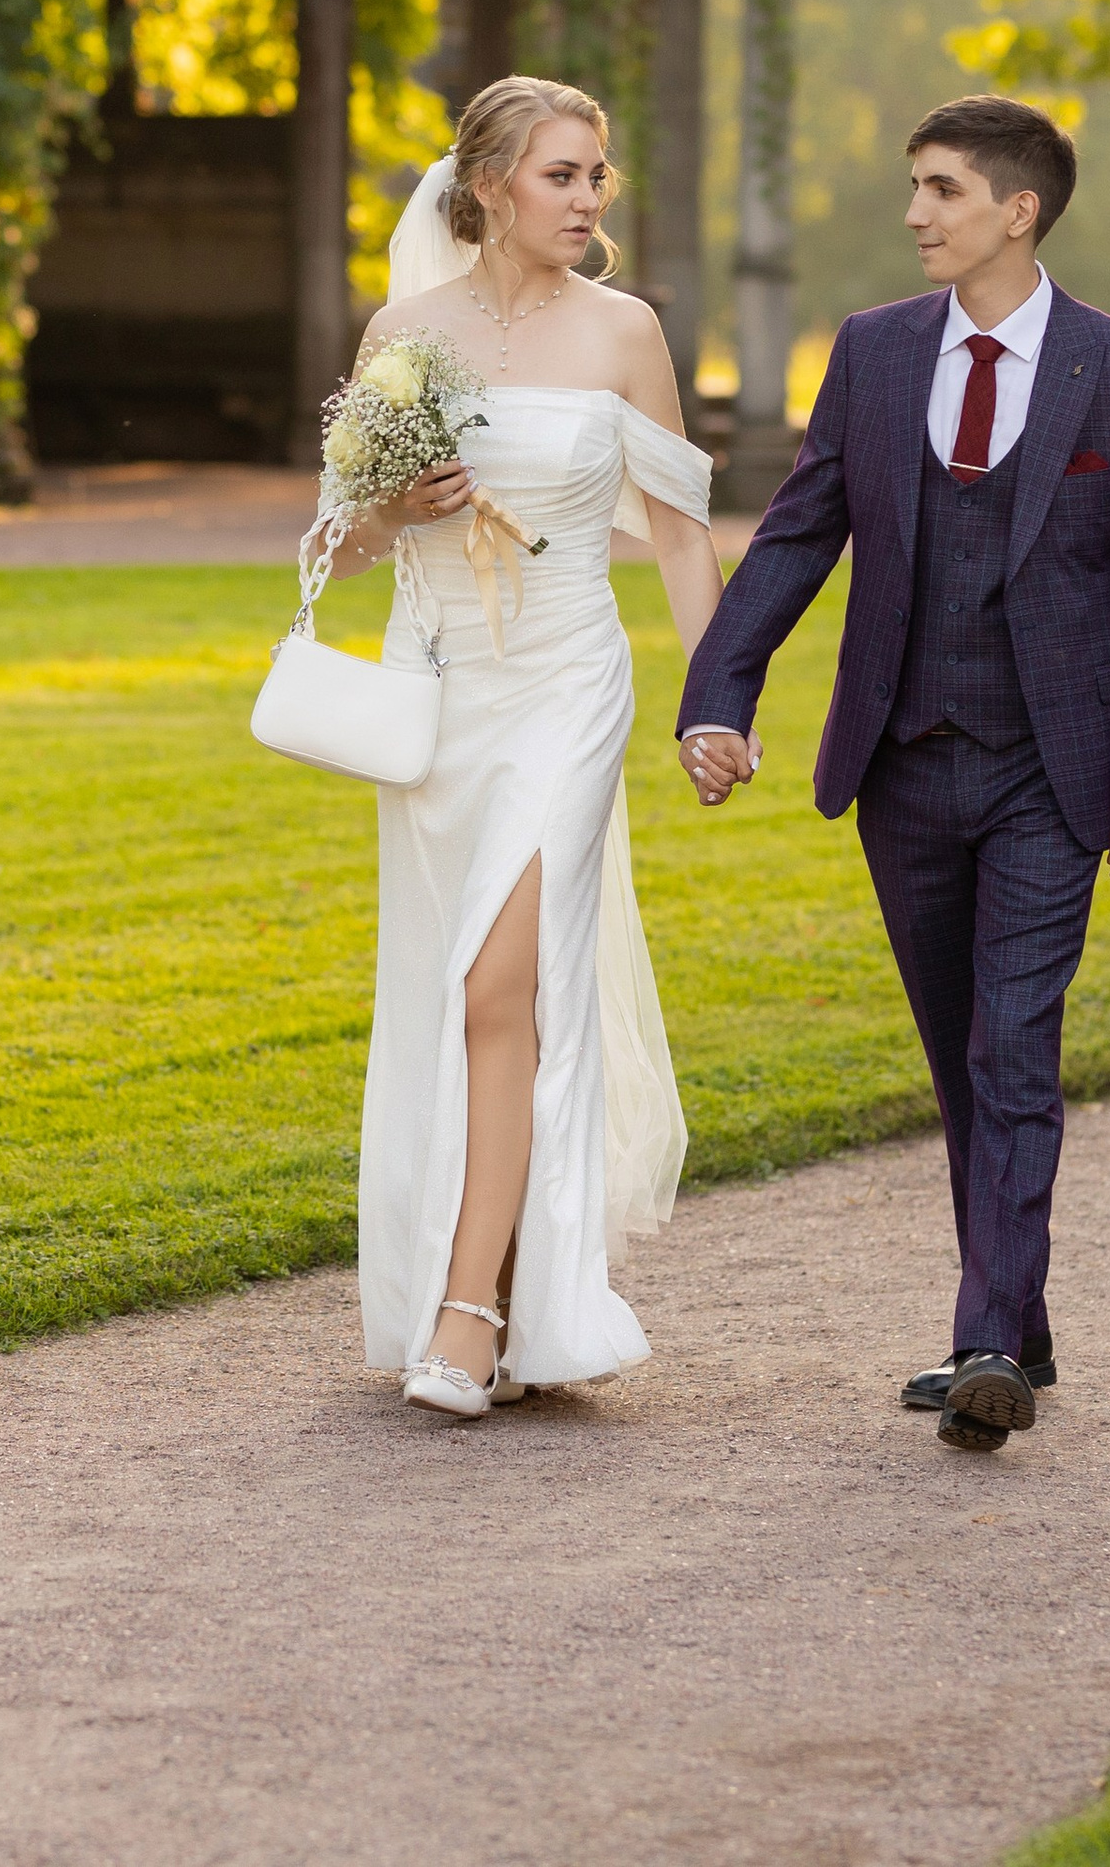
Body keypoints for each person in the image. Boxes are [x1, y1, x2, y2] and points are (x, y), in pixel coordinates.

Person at [677, 95, 1110, 1453]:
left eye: (942, 189)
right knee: (959, 1057)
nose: (916, 213)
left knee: (1013, 1046)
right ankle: (1013, 1321)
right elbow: (799, 538)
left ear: (1016, 211)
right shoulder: (869, 354)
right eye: (917, 188)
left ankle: (984, 1343)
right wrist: (718, 696)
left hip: (1053, 770)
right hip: (903, 763)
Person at [321, 76, 723, 1418]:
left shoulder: (626, 331)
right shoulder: (408, 330)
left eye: (598, 173)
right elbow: (341, 542)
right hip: (439, 686)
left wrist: (711, 698)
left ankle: (473, 1307)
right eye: (564, 175)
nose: (590, 197)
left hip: (566, 680)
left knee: (508, 984)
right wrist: (398, 499)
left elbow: (674, 528)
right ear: (489, 184)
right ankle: (487, 1291)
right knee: (453, 988)